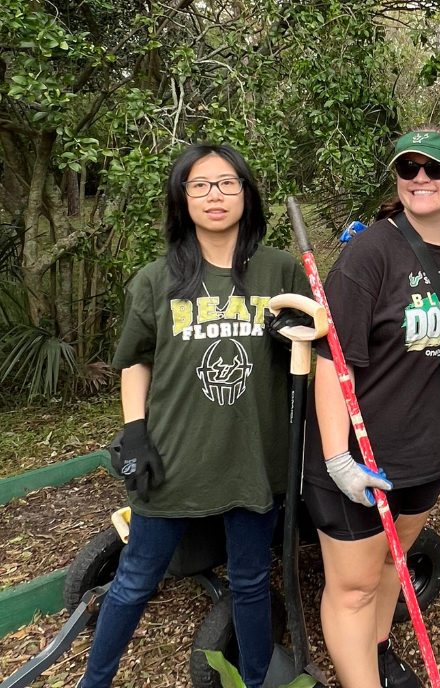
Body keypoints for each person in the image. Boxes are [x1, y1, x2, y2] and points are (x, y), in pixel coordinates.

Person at [79, 144, 311, 688]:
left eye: (228, 183)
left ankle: (256, 680)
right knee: (136, 578)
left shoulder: (281, 270)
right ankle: (95, 681)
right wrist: (135, 431)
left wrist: (295, 342)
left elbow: (316, 355)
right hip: (172, 459)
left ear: (247, 196)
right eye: (200, 184)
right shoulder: (156, 279)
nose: (215, 195)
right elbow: (136, 360)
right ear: (182, 198)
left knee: (252, 582)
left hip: (254, 459)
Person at [301, 125, 440, 688]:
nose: (421, 178)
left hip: (426, 454)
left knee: (390, 567)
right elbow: (334, 360)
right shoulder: (370, 252)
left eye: (434, 168)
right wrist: (337, 459)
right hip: (360, 459)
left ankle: (377, 655)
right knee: (353, 589)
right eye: (409, 169)